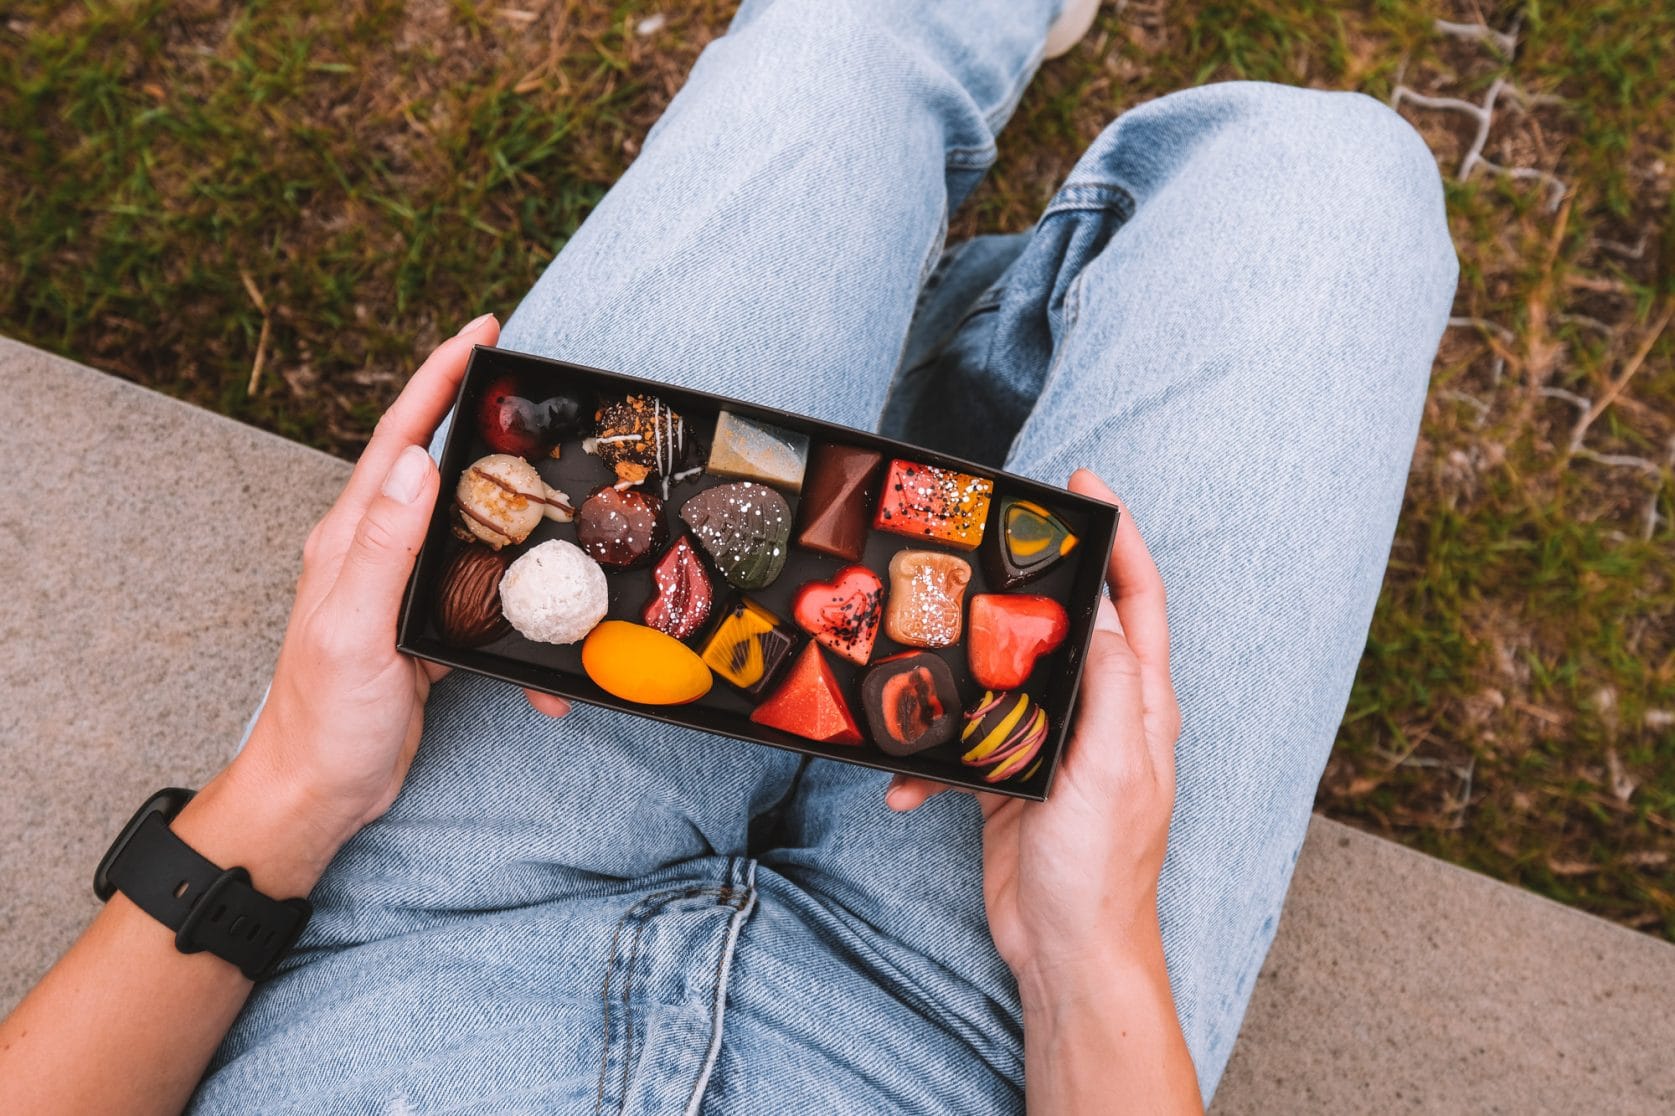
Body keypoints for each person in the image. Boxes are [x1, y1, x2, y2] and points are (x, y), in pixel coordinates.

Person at [0, 0, 1456, 1111]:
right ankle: (962, 362)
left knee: (836, 54)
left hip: (411, 938)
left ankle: (943, 332)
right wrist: (1093, 961)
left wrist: (292, 783)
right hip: (969, 1047)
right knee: (1331, 183)